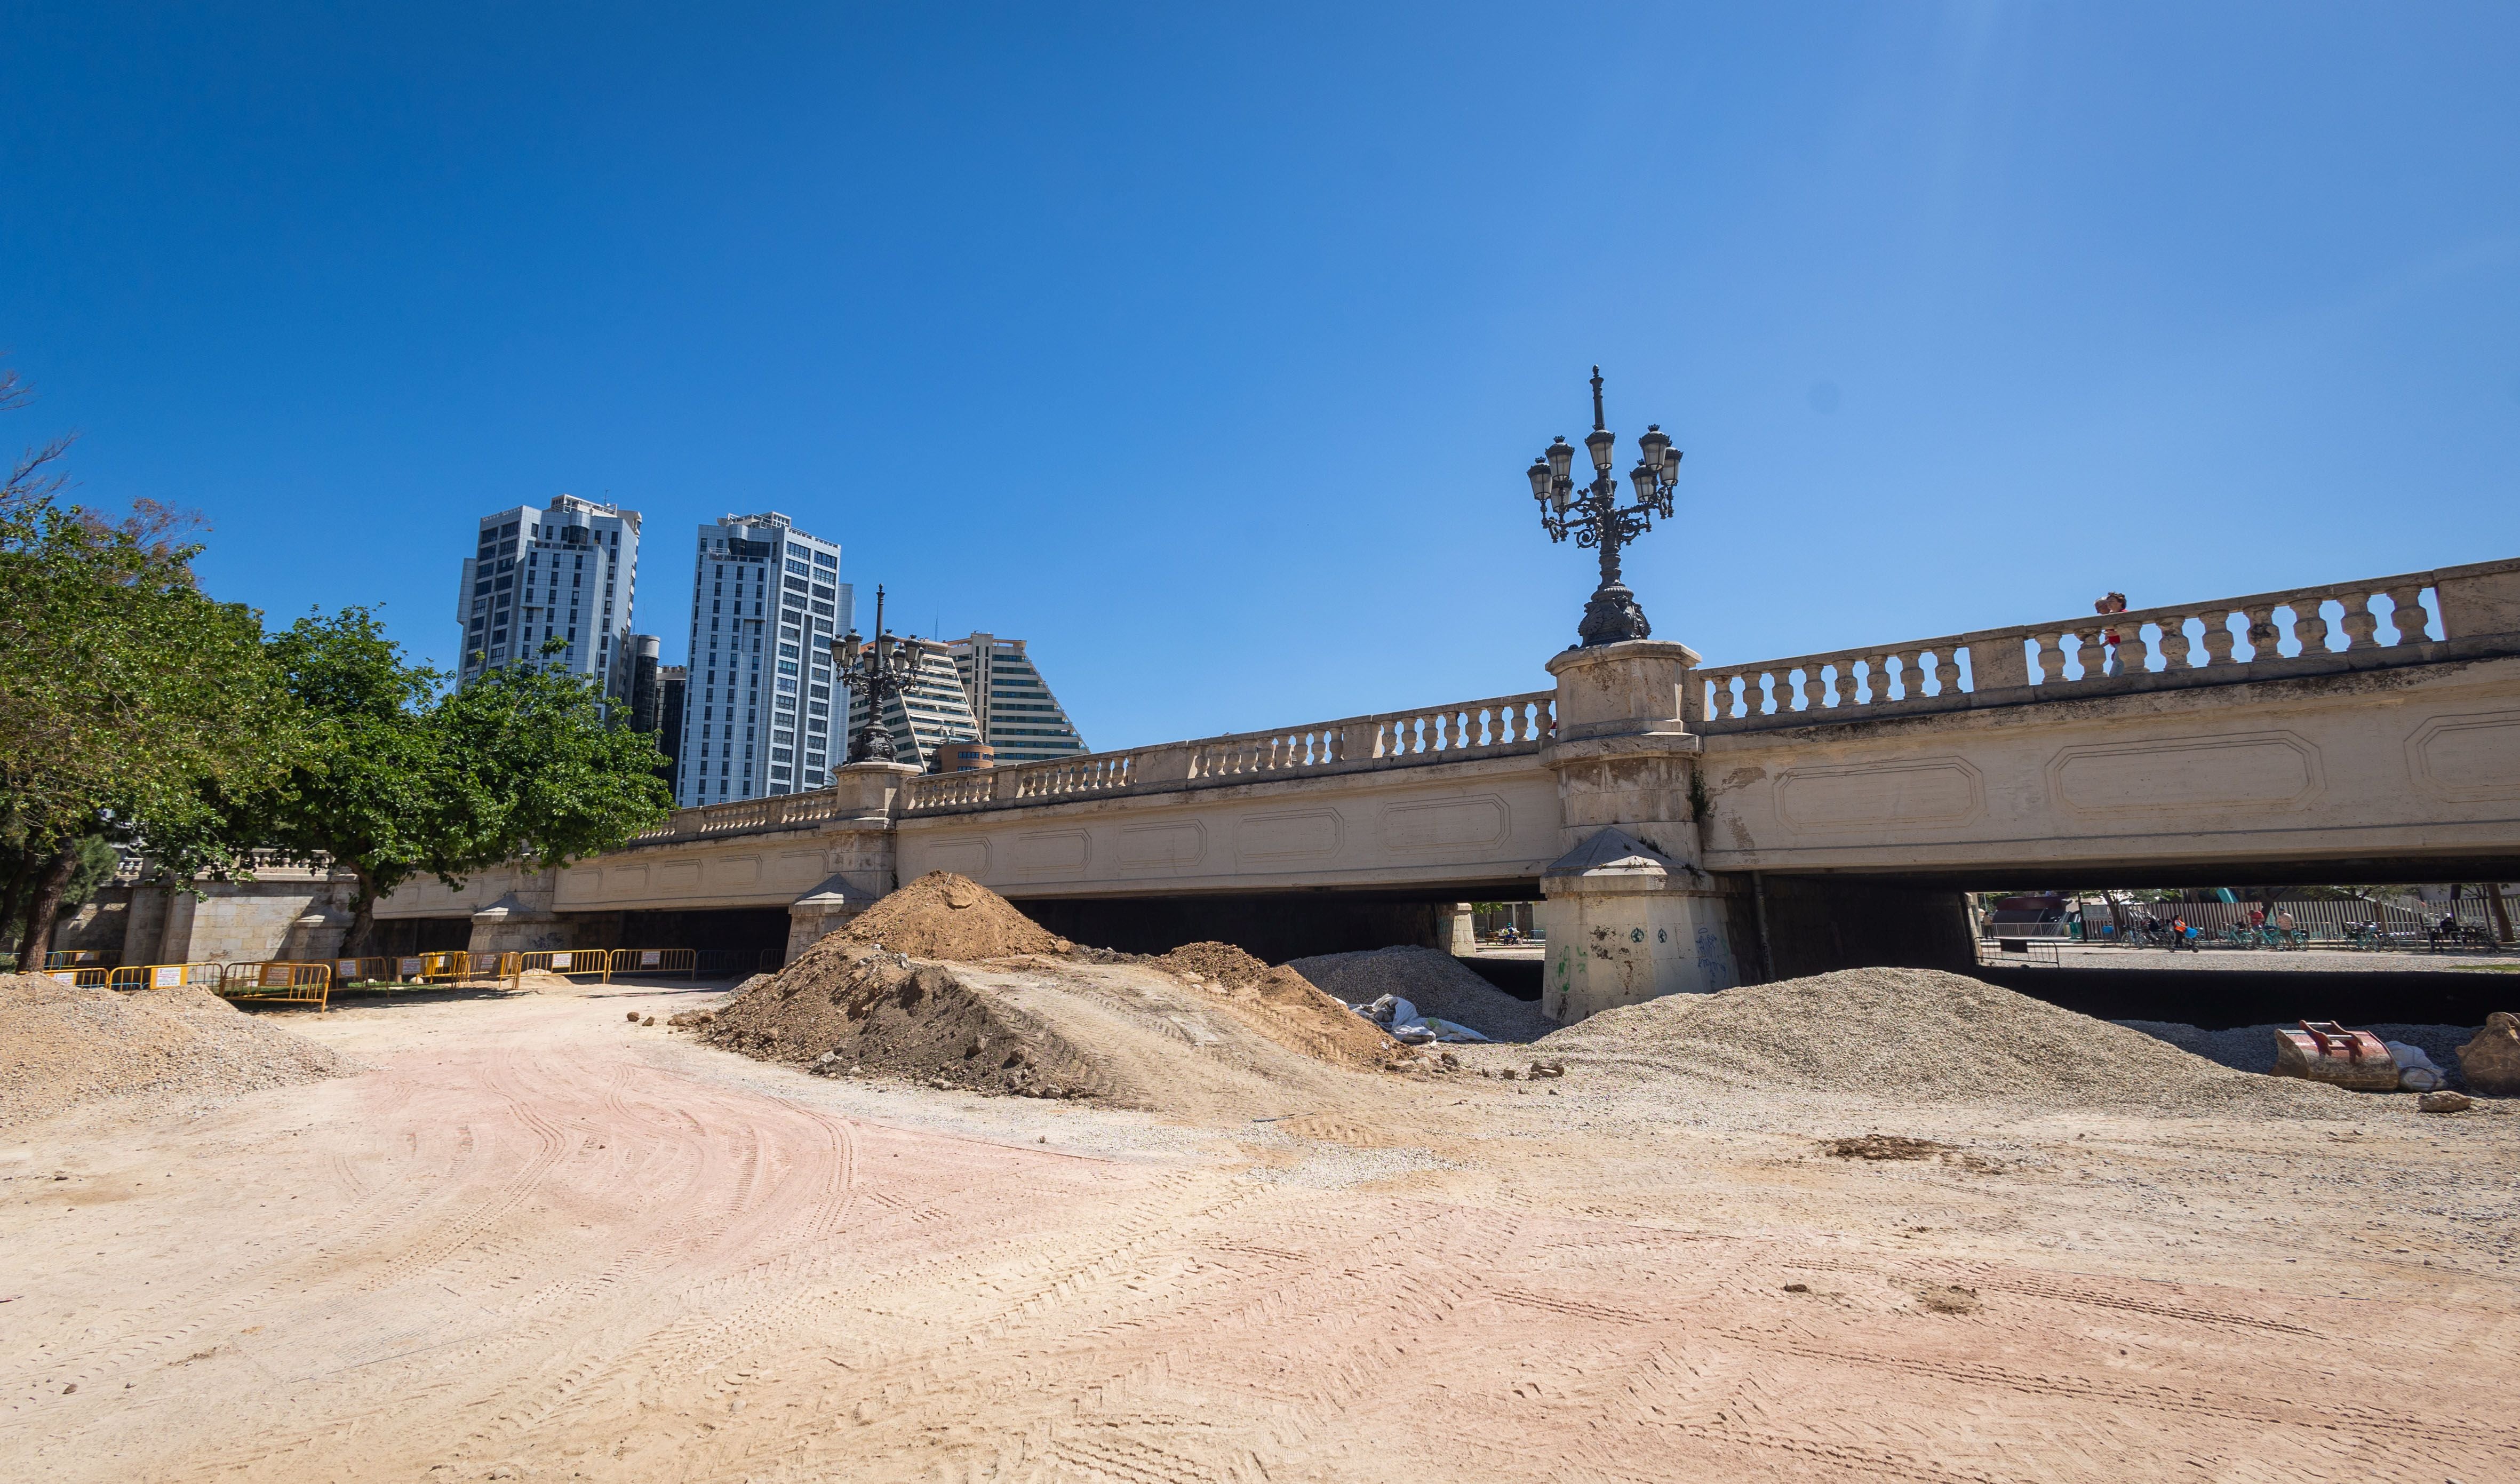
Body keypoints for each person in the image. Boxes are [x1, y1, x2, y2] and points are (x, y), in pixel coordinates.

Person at [2094, 592, 2130, 676]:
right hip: (2118, 646)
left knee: (2115, 674)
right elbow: (2111, 636)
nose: (2098, 612)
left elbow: (2130, 630)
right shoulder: (2111, 616)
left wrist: (2115, 633)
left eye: (2098, 608)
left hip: (2124, 645)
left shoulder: (2123, 613)